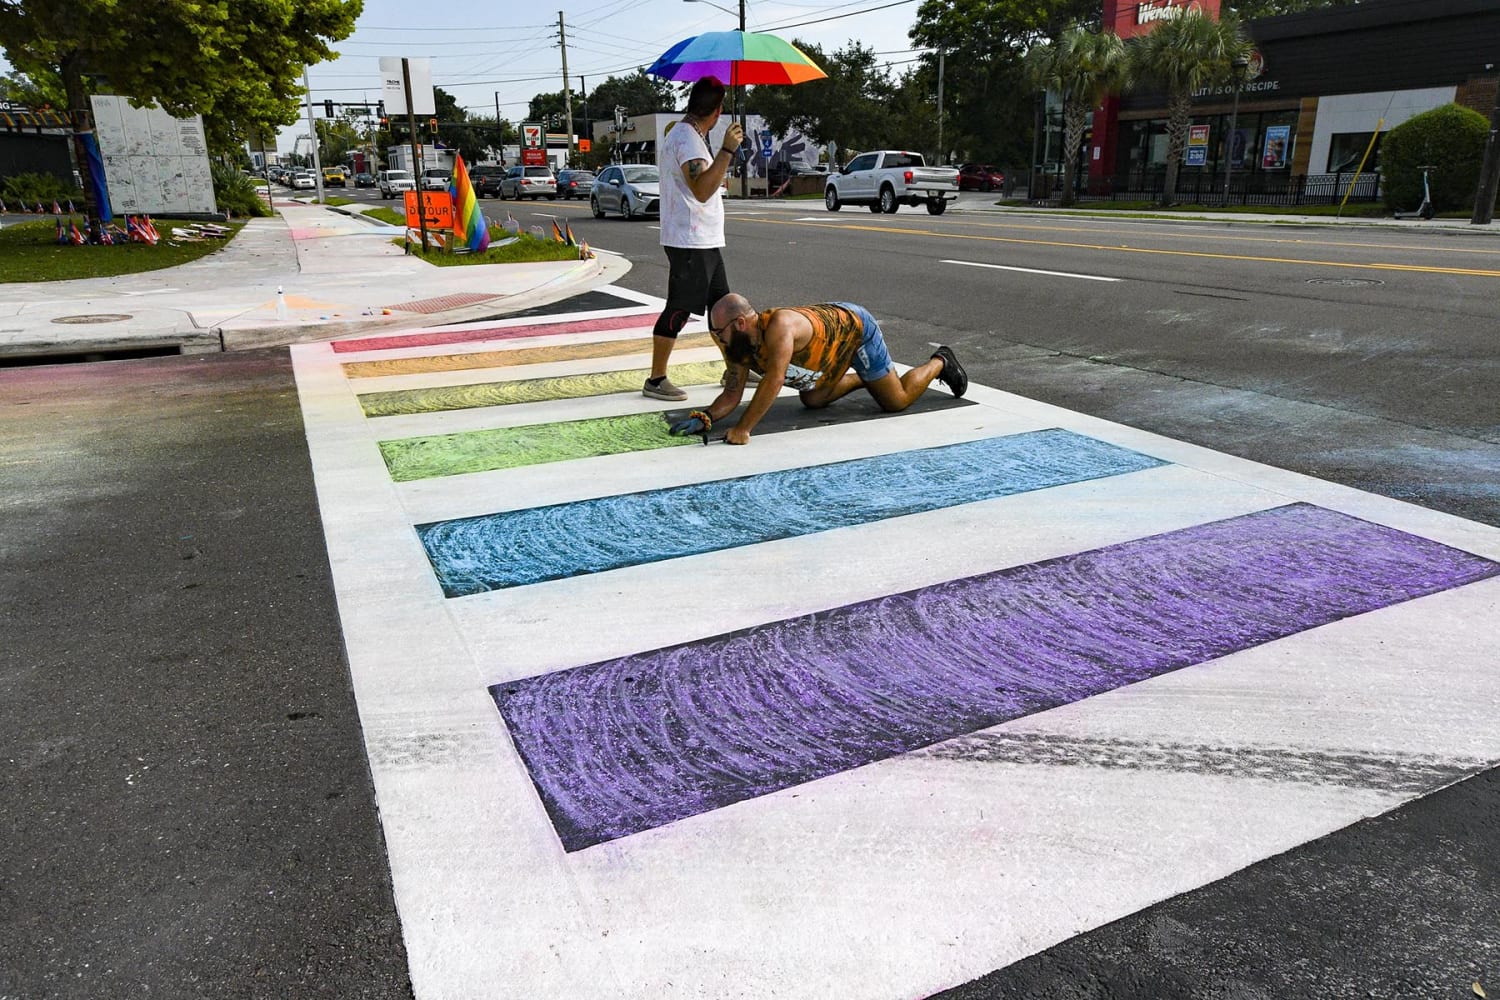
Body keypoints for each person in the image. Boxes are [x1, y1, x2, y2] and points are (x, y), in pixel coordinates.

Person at [670, 293, 967, 446]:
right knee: (812, 399)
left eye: (719, 332)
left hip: (855, 331)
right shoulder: (737, 343)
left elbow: (774, 379)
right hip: (828, 355)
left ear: (739, 324)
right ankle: (868, 379)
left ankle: (940, 360)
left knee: (896, 401)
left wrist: (743, 429)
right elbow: (733, 392)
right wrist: (705, 417)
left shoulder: (779, 327)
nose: (718, 339)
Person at [644, 77, 745, 402]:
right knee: (680, 308)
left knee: (723, 307)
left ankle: (735, 368)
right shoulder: (687, 139)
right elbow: (701, 189)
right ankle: (656, 379)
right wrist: (728, 150)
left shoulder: (690, 135)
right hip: (690, 240)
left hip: (704, 240)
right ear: (717, 112)